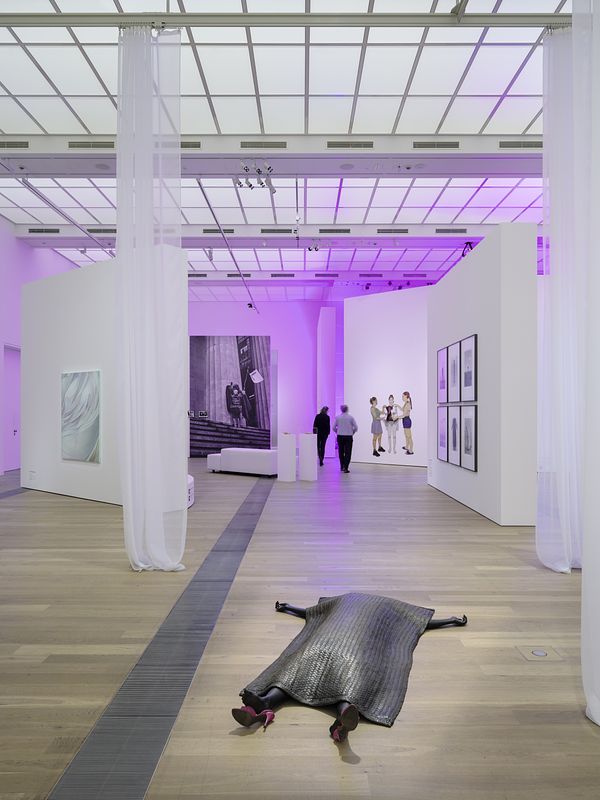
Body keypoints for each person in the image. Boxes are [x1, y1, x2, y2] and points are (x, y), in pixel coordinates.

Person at [231, 592, 468, 742]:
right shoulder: (394, 609)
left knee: (294, 671)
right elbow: (418, 623)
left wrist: (288, 606)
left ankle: (265, 703)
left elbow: (311, 612)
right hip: (354, 651)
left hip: (321, 642)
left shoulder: (343, 599)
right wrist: (451, 621)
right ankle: (344, 714)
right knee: (351, 678)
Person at [333, 404, 358, 473]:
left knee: (340, 451)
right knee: (348, 452)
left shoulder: (338, 417)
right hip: (348, 436)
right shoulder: (351, 418)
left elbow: (333, 427)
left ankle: (342, 466)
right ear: (347, 409)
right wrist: (352, 432)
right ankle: (346, 467)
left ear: (341, 410)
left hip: (340, 436)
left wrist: (338, 432)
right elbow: (356, 427)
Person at [400, 391, 414, 455]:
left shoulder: (408, 404)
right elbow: (402, 409)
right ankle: (406, 447)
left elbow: (404, 415)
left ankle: (411, 451)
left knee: (409, 437)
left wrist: (396, 417)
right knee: (406, 436)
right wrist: (397, 405)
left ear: (406, 396)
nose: (402, 397)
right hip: (404, 420)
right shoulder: (406, 403)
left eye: (403, 396)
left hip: (407, 420)